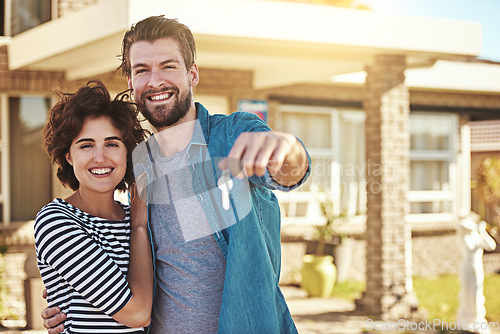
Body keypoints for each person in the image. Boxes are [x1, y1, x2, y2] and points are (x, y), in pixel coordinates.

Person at [43, 16, 310, 333]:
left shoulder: (231, 136)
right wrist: (70, 303)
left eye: (168, 66)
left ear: (192, 73)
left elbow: (288, 170)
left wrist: (288, 148)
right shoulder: (139, 165)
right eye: (142, 70)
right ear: (130, 80)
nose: (155, 81)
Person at [36, 80, 152, 333]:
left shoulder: (137, 214)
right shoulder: (55, 222)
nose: (100, 157)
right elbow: (138, 313)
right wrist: (140, 226)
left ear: (127, 153)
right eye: (86, 145)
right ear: (69, 155)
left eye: (112, 143)